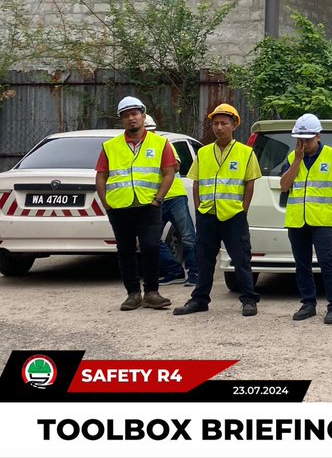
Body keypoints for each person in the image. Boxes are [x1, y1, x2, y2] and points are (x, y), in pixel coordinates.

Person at [172, 104, 261, 317]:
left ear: (234, 125)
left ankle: (249, 299)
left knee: (241, 259)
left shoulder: (246, 153)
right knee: (204, 260)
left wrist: (243, 209)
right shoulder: (203, 153)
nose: (219, 127)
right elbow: (196, 182)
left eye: (224, 123)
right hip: (208, 215)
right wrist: (199, 208)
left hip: (233, 215)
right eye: (215, 123)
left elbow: (250, 183)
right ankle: (200, 299)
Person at [94, 96, 176, 311]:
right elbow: (101, 176)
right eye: (126, 115)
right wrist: (106, 204)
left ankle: (151, 292)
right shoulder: (110, 146)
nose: (131, 119)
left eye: (134, 114)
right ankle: (132, 294)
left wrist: (158, 199)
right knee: (126, 251)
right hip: (119, 208)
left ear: (143, 115)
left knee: (151, 247)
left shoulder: (160, 143)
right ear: (121, 120)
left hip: (149, 206)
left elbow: (169, 173)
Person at [280, 113, 332, 325]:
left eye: (307, 139)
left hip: (323, 219)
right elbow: (284, 185)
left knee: (328, 263)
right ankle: (308, 303)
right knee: (302, 263)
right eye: (300, 139)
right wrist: (297, 160)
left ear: (318, 136)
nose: (303, 143)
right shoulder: (292, 157)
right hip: (297, 219)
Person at [145, 115, 198, 287]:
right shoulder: (135, 150)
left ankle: (194, 274)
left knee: (188, 236)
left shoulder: (162, 144)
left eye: (149, 130)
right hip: (153, 199)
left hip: (174, 196)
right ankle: (174, 270)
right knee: (150, 239)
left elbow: (175, 166)